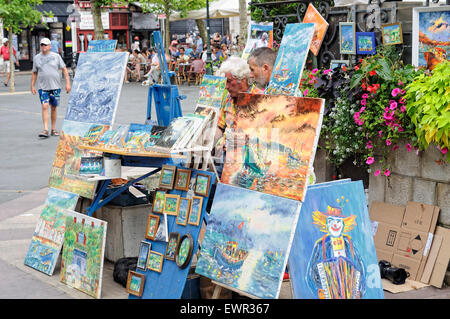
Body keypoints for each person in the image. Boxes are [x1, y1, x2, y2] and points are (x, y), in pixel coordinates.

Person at [214, 56, 251, 175]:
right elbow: (220, 126)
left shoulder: (258, 99)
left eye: (229, 81)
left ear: (243, 79)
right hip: (226, 157)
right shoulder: (228, 98)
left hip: (248, 161)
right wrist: (209, 141)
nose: (226, 86)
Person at [30, 37, 71, 138]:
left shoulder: (56, 56)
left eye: (45, 45)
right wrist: (32, 85)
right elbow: (34, 73)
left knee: (53, 108)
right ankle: (45, 129)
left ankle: (53, 129)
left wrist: (68, 83)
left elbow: (64, 69)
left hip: (55, 87)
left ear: (50, 46)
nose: (43, 46)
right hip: (43, 87)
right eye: (42, 45)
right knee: (44, 106)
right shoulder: (36, 58)